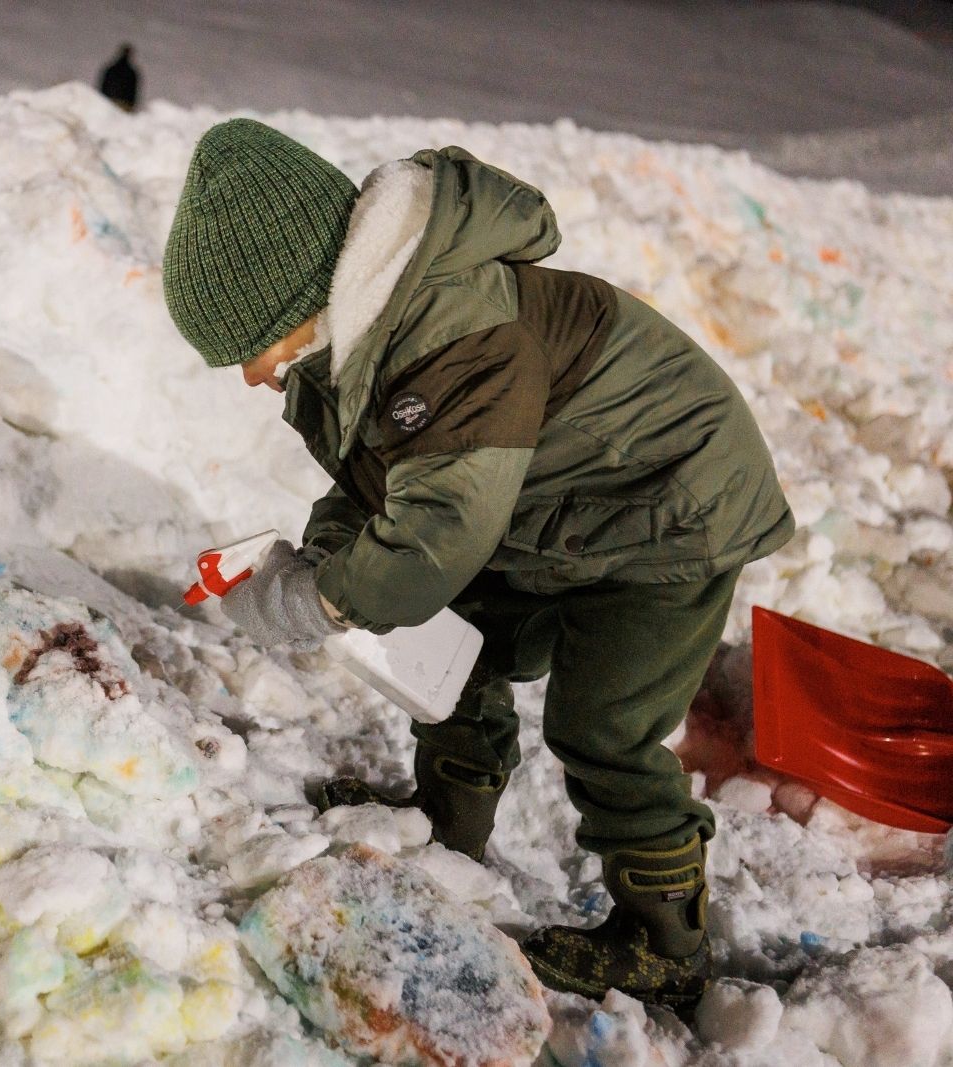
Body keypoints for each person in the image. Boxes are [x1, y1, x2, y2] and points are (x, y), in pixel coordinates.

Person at [160, 119, 793, 1012]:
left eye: (248, 350)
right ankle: (446, 825)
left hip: (668, 508)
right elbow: (385, 485)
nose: (250, 377)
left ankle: (663, 942)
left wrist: (317, 602)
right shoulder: (359, 339)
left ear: (294, 303)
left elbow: (433, 539)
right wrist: (324, 554)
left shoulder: (451, 339)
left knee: (603, 724)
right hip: (553, 503)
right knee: (457, 642)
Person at [97, 44, 140, 111]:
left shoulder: (111, 69)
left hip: (108, 102)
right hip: (124, 105)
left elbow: (103, 86)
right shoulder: (132, 72)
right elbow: (133, 91)